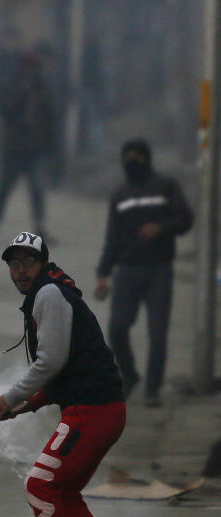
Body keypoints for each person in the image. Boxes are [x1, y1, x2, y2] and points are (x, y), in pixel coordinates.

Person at [0, 232, 137, 517]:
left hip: (93, 411)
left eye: (28, 262)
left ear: (42, 263)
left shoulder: (49, 295)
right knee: (63, 493)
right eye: (14, 263)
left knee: (40, 486)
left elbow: (51, 361)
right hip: (101, 409)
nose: (20, 270)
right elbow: (68, 364)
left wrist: (12, 397)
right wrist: (31, 403)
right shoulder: (50, 292)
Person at [94, 138, 194, 407]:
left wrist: (161, 227)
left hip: (158, 269)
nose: (133, 162)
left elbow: (186, 218)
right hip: (126, 270)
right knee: (117, 328)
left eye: (138, 157)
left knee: (157, 332)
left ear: (148, 159)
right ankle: (129, 375)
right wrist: (103, 274)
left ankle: (152, 388)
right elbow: (111, 238)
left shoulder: (165, 186)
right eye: (128, 157)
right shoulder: (120, 195)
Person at [0, 53, 57, 242]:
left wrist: (51, 149)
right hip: (14, 149)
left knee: (37, 190)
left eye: (32, 69)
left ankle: (39, 226)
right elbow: (5, 110)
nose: (29, 72)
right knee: (4, 188)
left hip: (35, 149)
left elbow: (50, 121)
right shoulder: (10, 86)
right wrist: (21, 95)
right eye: (26, 68)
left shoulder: (43, 90)